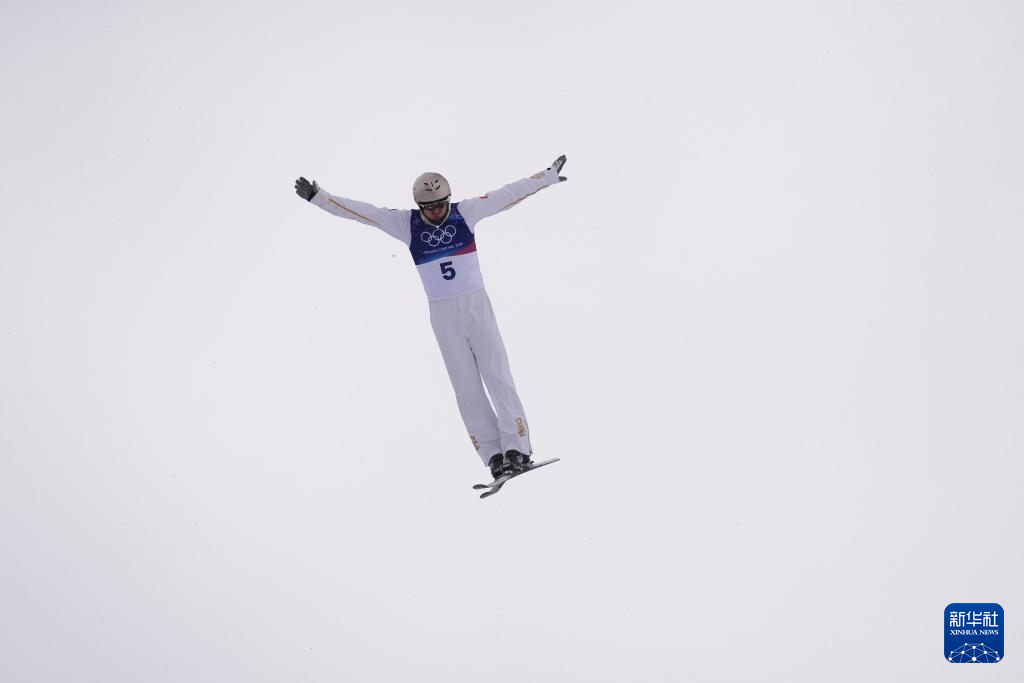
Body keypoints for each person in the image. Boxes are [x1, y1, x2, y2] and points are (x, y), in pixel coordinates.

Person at [294, 156, 567, 481]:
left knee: (497, 376)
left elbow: (507, 195)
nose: (436, 212)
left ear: (448, 199)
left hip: (475, 304)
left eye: (440, 205)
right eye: (429, 207)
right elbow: (363, 212)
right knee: (466, 386)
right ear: (418, 206)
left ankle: (517, 450)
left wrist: (546, 177)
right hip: (442, 312)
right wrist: (319, 197)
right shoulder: (405, 224)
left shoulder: (466, 212)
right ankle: (494, 456)